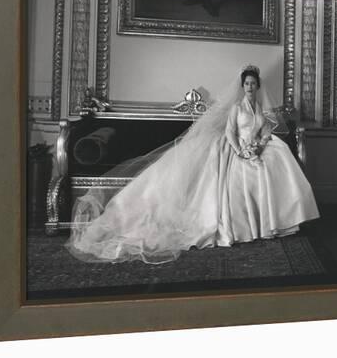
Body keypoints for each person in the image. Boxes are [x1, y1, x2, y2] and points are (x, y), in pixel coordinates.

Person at [66, 64, 320, 264]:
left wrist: (260, 145)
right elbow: (231, 133)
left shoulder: (260, 110)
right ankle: (242, 225)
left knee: (278, 157)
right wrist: (240, 150)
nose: (250, 87)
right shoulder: (237, 109)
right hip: (236, 148)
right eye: (247, 84)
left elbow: (265, 130)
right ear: (242, 87)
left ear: (258, 86)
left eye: (253, 84)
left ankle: (274, 224)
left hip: (254, 147)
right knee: (232, 179)